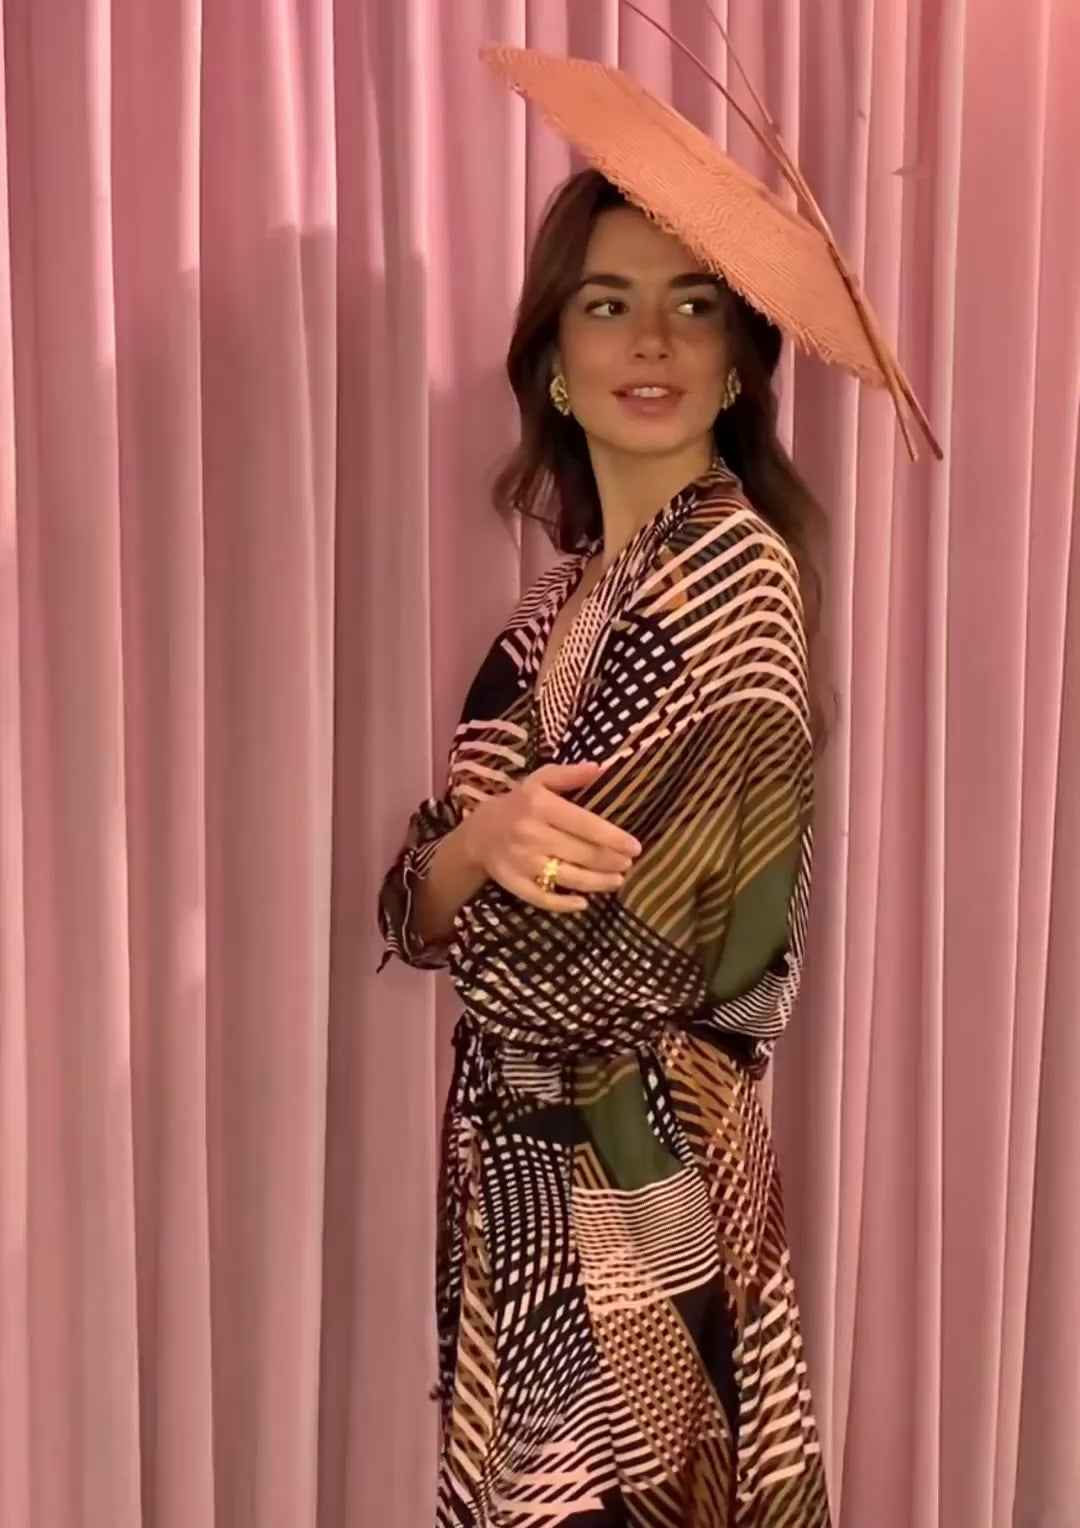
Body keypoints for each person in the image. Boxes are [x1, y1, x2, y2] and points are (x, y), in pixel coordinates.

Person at [378, 164, 832, 1527]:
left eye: (693, 307)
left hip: (644, 1161)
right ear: (556, 366)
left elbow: (650, 959)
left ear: (738, 365)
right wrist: (479, 848)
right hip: (523, 1172)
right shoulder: (547, 615)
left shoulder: (734, 577)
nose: (652, 341)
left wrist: (463, 870)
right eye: (607, 303)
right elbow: (411, 904)